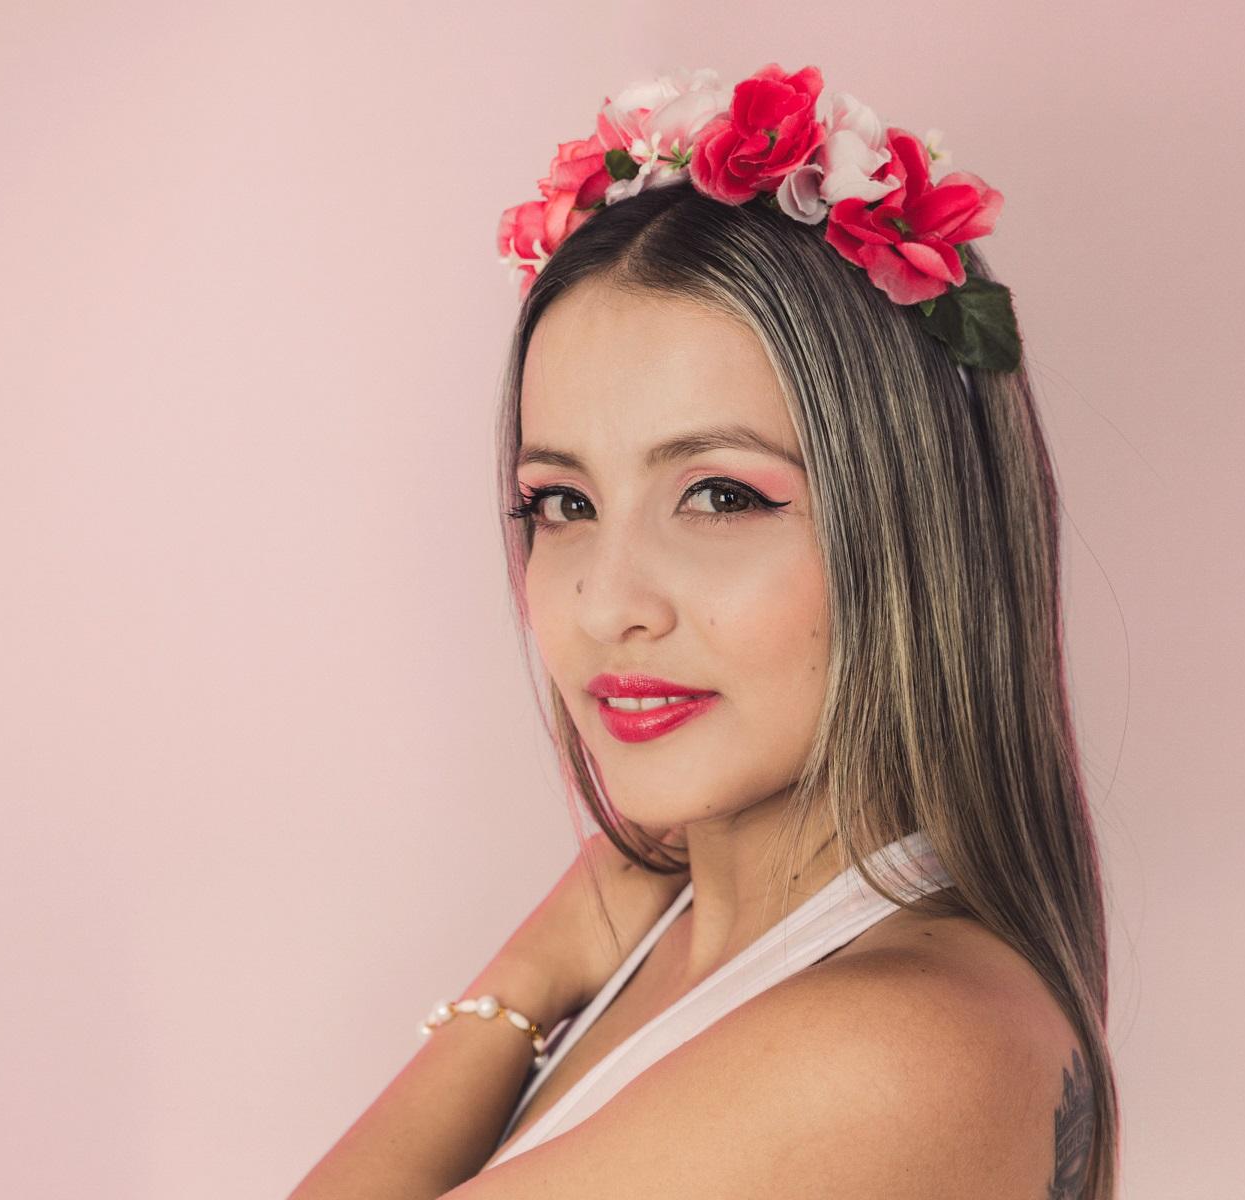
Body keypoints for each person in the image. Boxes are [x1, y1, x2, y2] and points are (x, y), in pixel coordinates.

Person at [288, 63, 1118, 1199]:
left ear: (915, 529)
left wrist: (525, 983)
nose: (607, 603)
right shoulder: (677, 936)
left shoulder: (891, 1049)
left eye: (720, 495)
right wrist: (545, 969)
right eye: (562, 503)